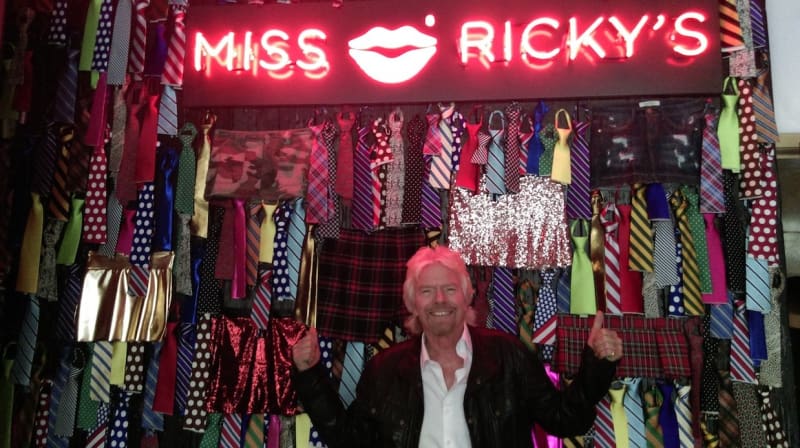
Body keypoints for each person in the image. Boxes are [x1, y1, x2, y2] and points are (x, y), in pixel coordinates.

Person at [292, 245, 623, 447]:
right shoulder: (384, 369)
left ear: (468, 295)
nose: (439, 300)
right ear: (412, 302)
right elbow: (350, 440)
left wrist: (597, 366)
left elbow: (567, 421)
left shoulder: (509, 356)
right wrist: (310, 376)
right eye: (427, 291)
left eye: (450, 289)